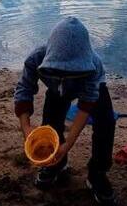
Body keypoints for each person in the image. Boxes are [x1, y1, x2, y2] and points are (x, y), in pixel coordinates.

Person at [14, 17, 116, 205]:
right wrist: (27, 130)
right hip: (55, 90)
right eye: (60, 71)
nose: (65, 76)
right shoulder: (35, 59)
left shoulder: (94, 66)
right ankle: (57, 164)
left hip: (90, 87)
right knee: (50, 121)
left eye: (71, 71)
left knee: (106, 122)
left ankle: (97, 174)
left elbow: (86, 106)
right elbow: (24, 91)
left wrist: (67, 145)